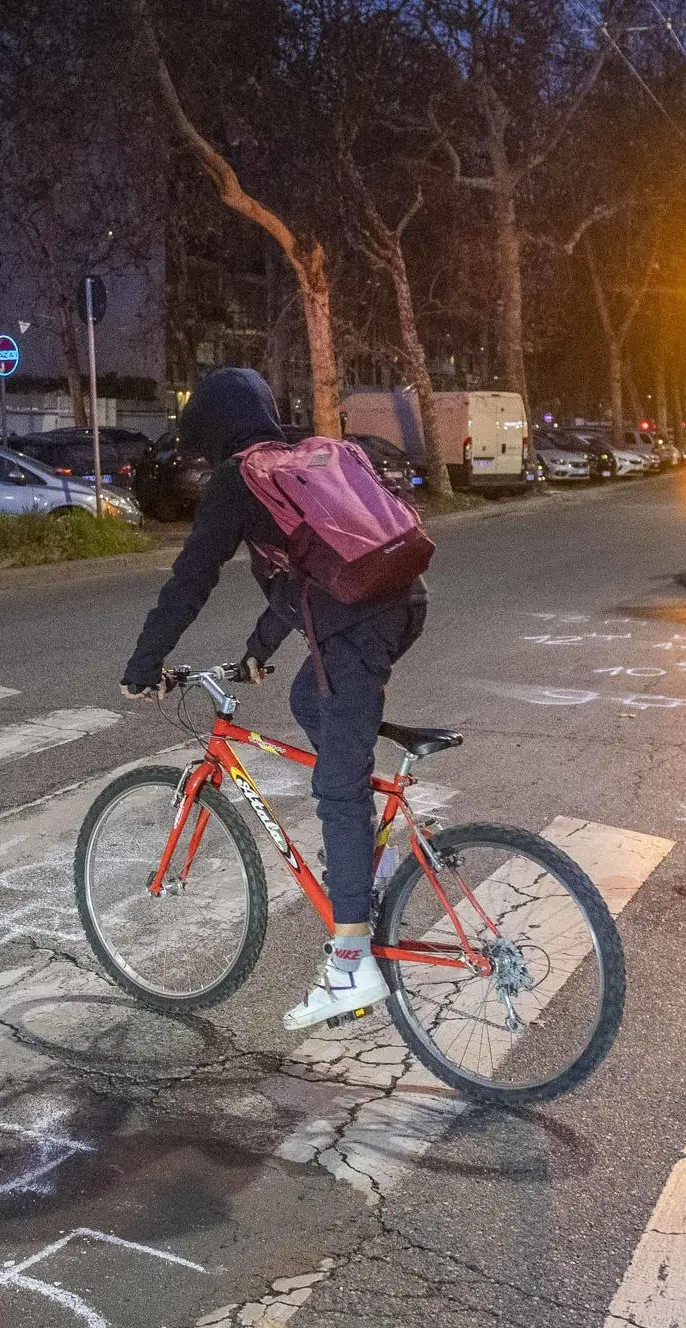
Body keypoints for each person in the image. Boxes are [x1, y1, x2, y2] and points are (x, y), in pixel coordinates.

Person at [121, 368, 427, 1026]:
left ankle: (349, 964)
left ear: (209, 430)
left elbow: (191, 577)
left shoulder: (241, 476)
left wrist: (146, 660)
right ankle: (372, 859)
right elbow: (313, 569)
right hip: (401, 604)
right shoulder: (310, 457)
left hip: (357, 626)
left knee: (337, 791)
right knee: (307, 698)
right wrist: (259, 648)